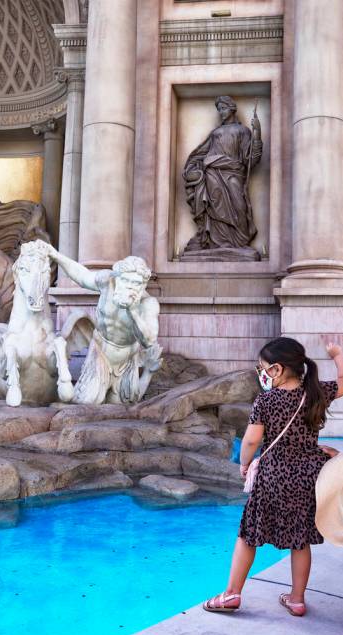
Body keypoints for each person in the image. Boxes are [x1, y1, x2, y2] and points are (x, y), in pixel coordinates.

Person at [203, 337, 343, 616]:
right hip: (309, 473)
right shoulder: (316, 393)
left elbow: (250, 441)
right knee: (300, 538)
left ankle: (232, 594)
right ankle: (297, 599)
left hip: (273, 473)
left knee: (248, 534)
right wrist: (337, 354)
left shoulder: (267, 400)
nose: (260, 373)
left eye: (262, 368)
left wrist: (245, 464)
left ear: (277, 369)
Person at [42, 242, 162, 404]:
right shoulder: (107, 281)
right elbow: (82, 275)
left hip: (126, 360)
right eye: (126, 281)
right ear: (117, 278)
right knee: (86, 403)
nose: (130, 287)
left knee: (124, 407)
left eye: (136, 284)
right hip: (101, 353)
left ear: (143, 285)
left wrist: (133, 311)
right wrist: (56, 256)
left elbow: (149, 341)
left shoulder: (148, 304)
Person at [182, 95, 262, 255]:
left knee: (239, 206)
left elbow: (250, 159)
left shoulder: (243, 131)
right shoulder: (215, 133)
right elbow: (200, 154)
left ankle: (239, 243)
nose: (221, 112)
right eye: (219, 110)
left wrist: (257, 132)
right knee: (215, 206)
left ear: (232, 109)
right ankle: (217, 243)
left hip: (233, 173)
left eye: (223, 108)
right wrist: (192, 168)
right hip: (212, 173)